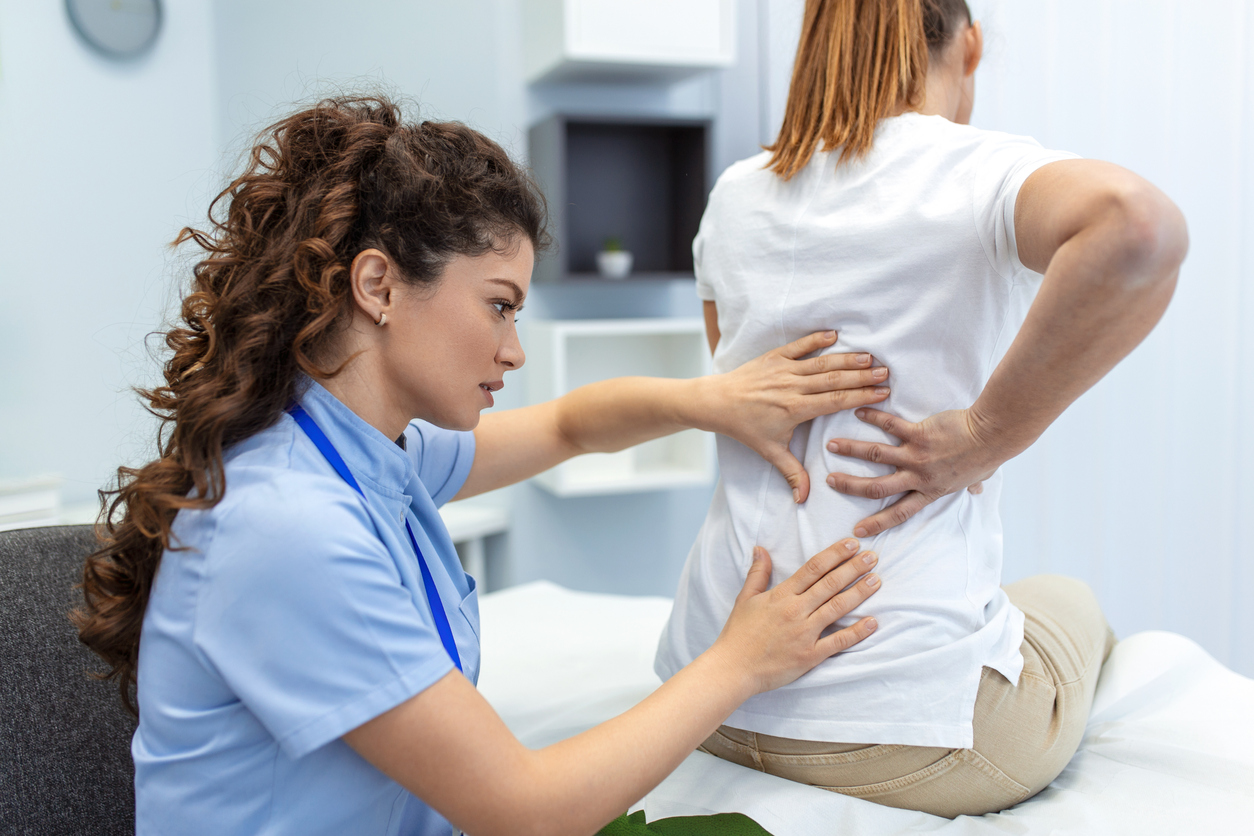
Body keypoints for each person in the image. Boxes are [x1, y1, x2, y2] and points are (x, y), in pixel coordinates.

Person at [72, 96, 894, 836]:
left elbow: (569, 426)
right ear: (378, 286)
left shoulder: (370, 453)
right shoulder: (287, 522)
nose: (514, 350)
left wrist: (714, 401)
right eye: (499, 305)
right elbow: (526, 812)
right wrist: (741, 662)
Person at [655, 0, 1187, 818]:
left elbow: (739, 390)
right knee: (1070, 599)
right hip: (906, 737)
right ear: (967, 47)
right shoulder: (974, 170)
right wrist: (983, 434)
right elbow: (1138, 228)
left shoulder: (734, 192)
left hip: (708, 698)